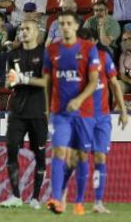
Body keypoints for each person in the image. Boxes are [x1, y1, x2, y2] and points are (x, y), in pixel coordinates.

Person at [60, 28, 128, 214]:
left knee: (100, 156)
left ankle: (98, 202)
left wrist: (123, 111)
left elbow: (114, 84)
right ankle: (63, 190)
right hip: (82, 117)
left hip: (103, 117)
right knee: (75, 159)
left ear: (95, 40)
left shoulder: (104, 58)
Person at [42, 11, 100, 214]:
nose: (64, 27)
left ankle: (79, 201)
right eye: (60, 24)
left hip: (84, 112)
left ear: (76, 26)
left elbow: (94, 82)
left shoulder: (88, 49)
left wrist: (79, 99)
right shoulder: (51, 50)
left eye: (68, 23)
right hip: (60, 113)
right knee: (59, 151)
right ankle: (56, 199)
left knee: (80, 157)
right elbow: (47, 82)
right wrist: (48, 109)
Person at [0, 19, 47, 210]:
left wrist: (24, 78)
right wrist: (12, 80)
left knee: (40, 155)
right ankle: (16, 196)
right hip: (17, 111)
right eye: (21, 29)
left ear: (37, 32)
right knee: (11, 148)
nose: (24, 32)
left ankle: (35, 198)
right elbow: (7, 84)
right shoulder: (13, 55)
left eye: (28, 29)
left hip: (38, 111)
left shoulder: (44, 54)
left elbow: (47, 83)